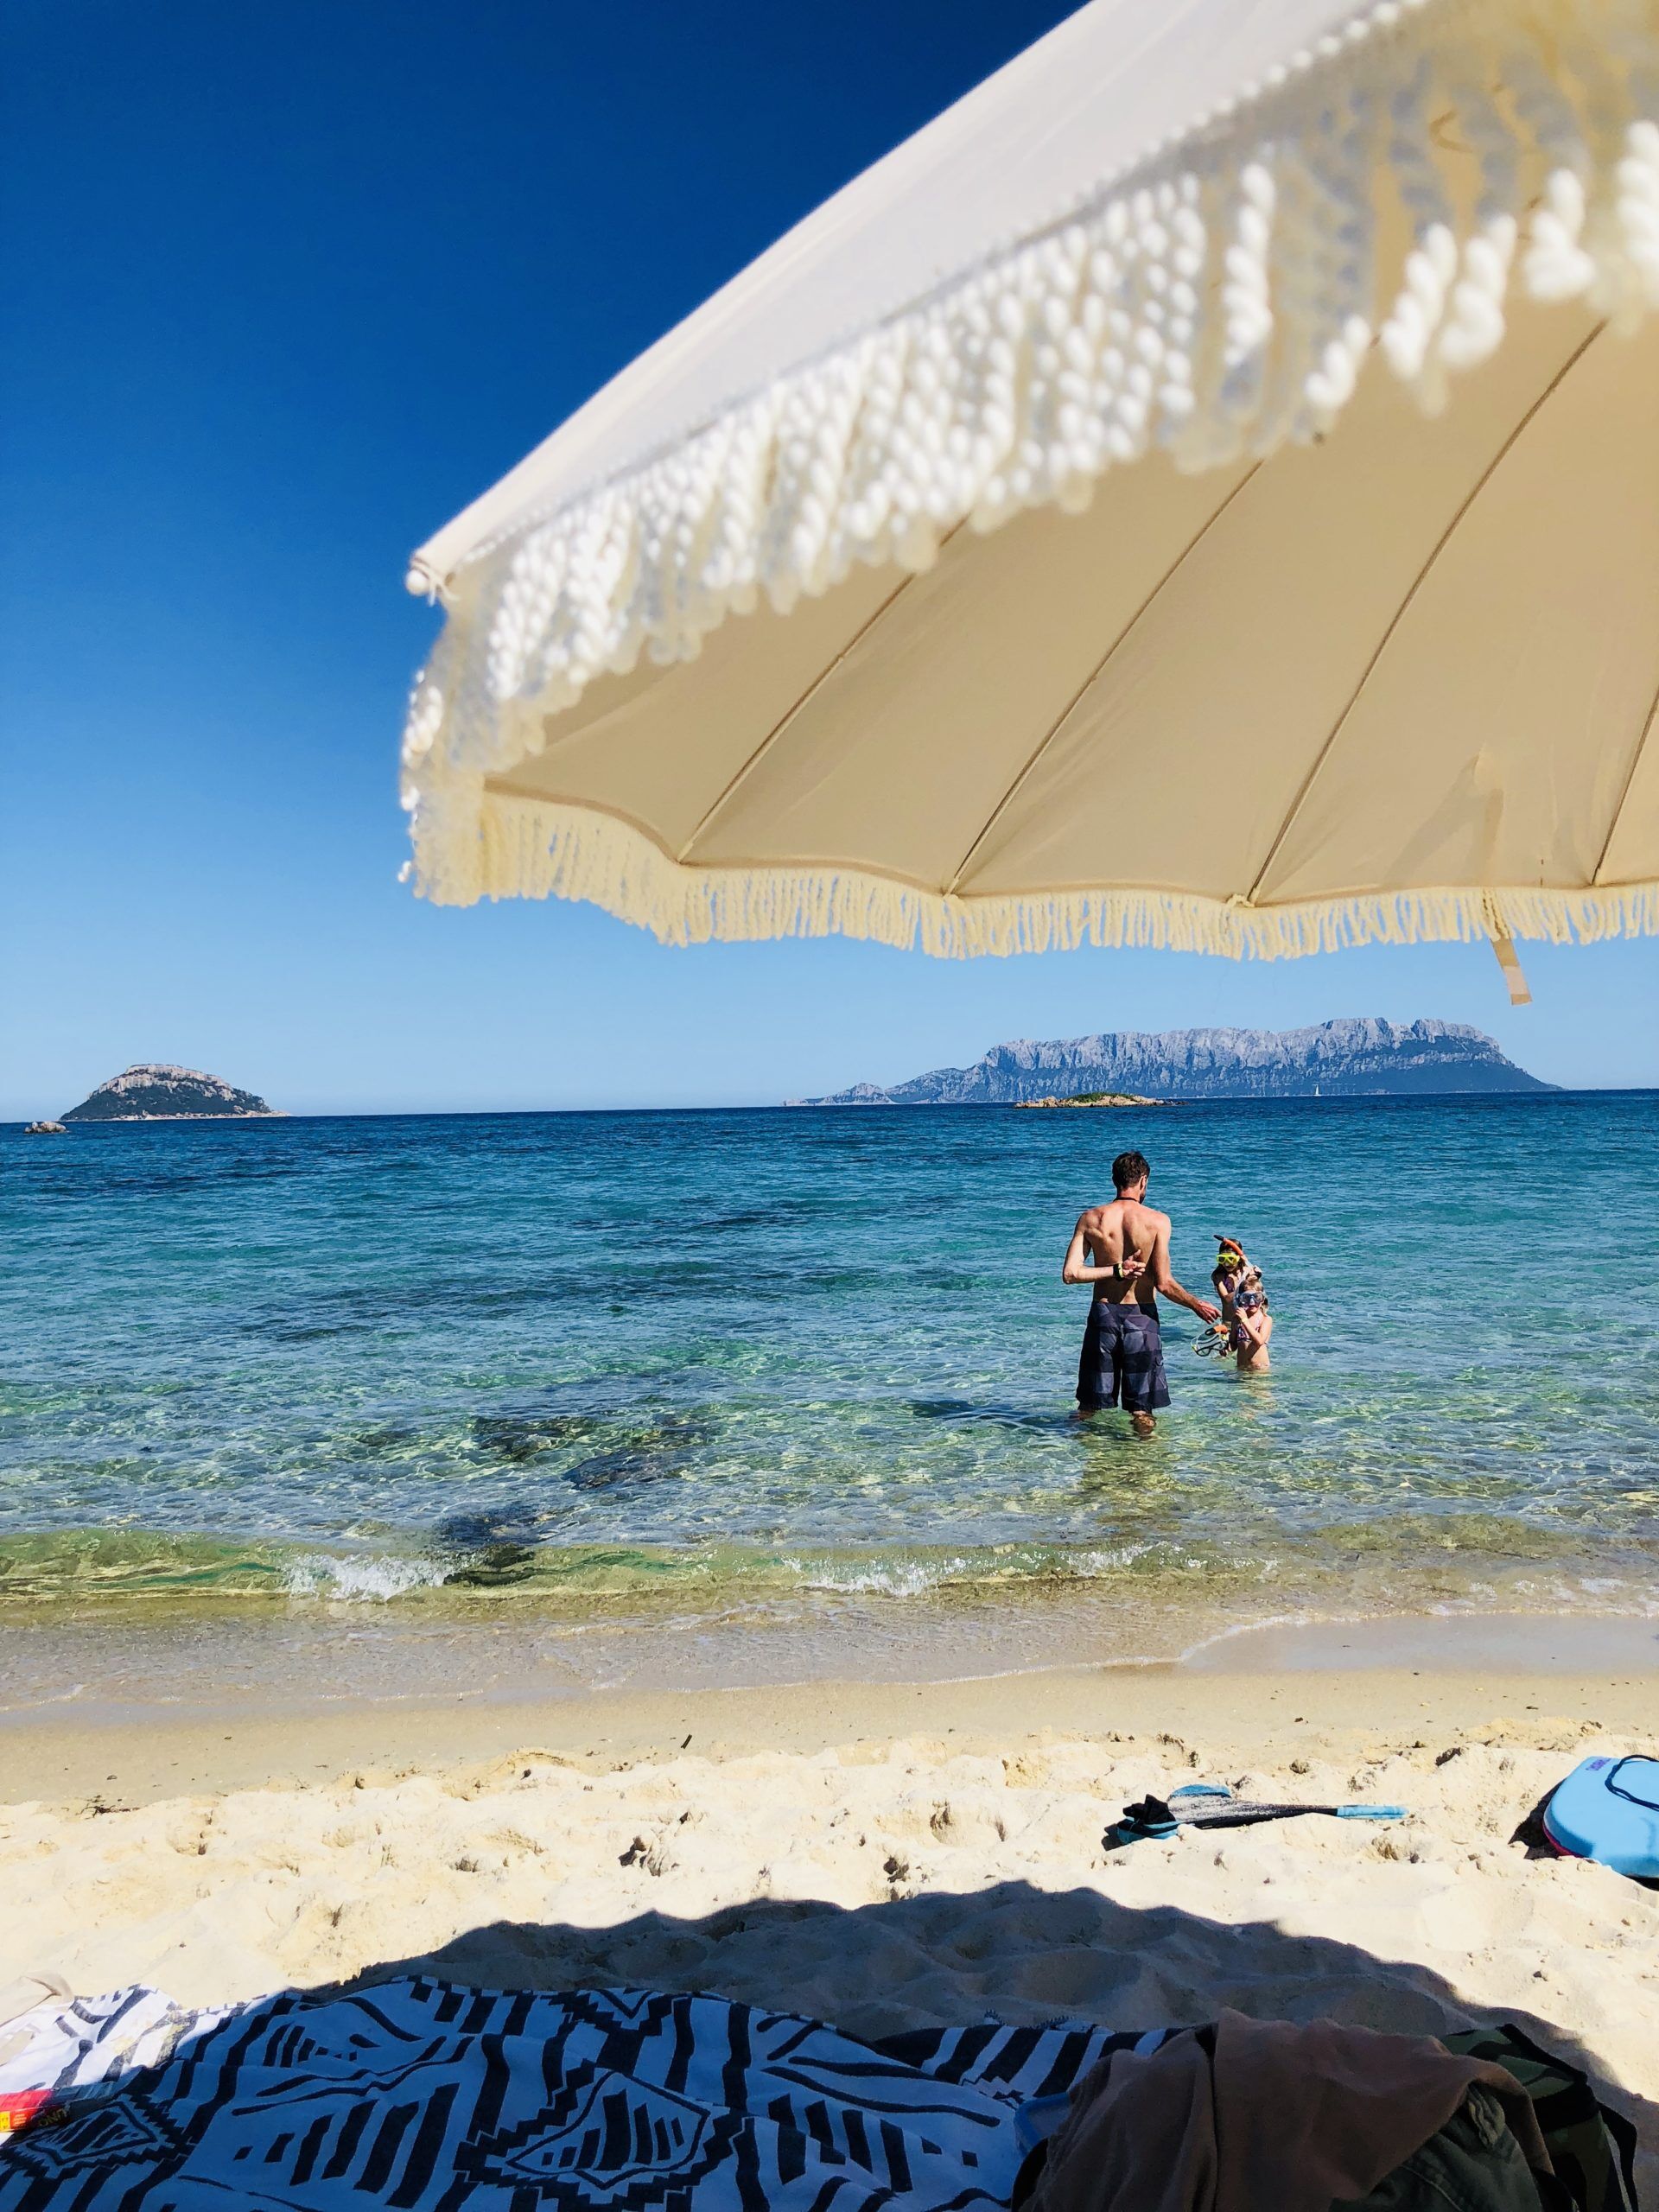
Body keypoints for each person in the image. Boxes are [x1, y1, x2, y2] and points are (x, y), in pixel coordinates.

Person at [1062, 1151, 1220, 1436]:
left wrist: (1114, 1271)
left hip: (1103, 1316)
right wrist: (1197, 1305)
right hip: (1142, 1316)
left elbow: (1071, 1274)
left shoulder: (1091, 1218)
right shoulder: (1157, 1221)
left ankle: (1074, 1460)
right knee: (1142, 1411)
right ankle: (1145, 1471)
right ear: (1143, 1181)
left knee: (1087, 1407)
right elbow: (1164, 1283)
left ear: (1114, 1181)